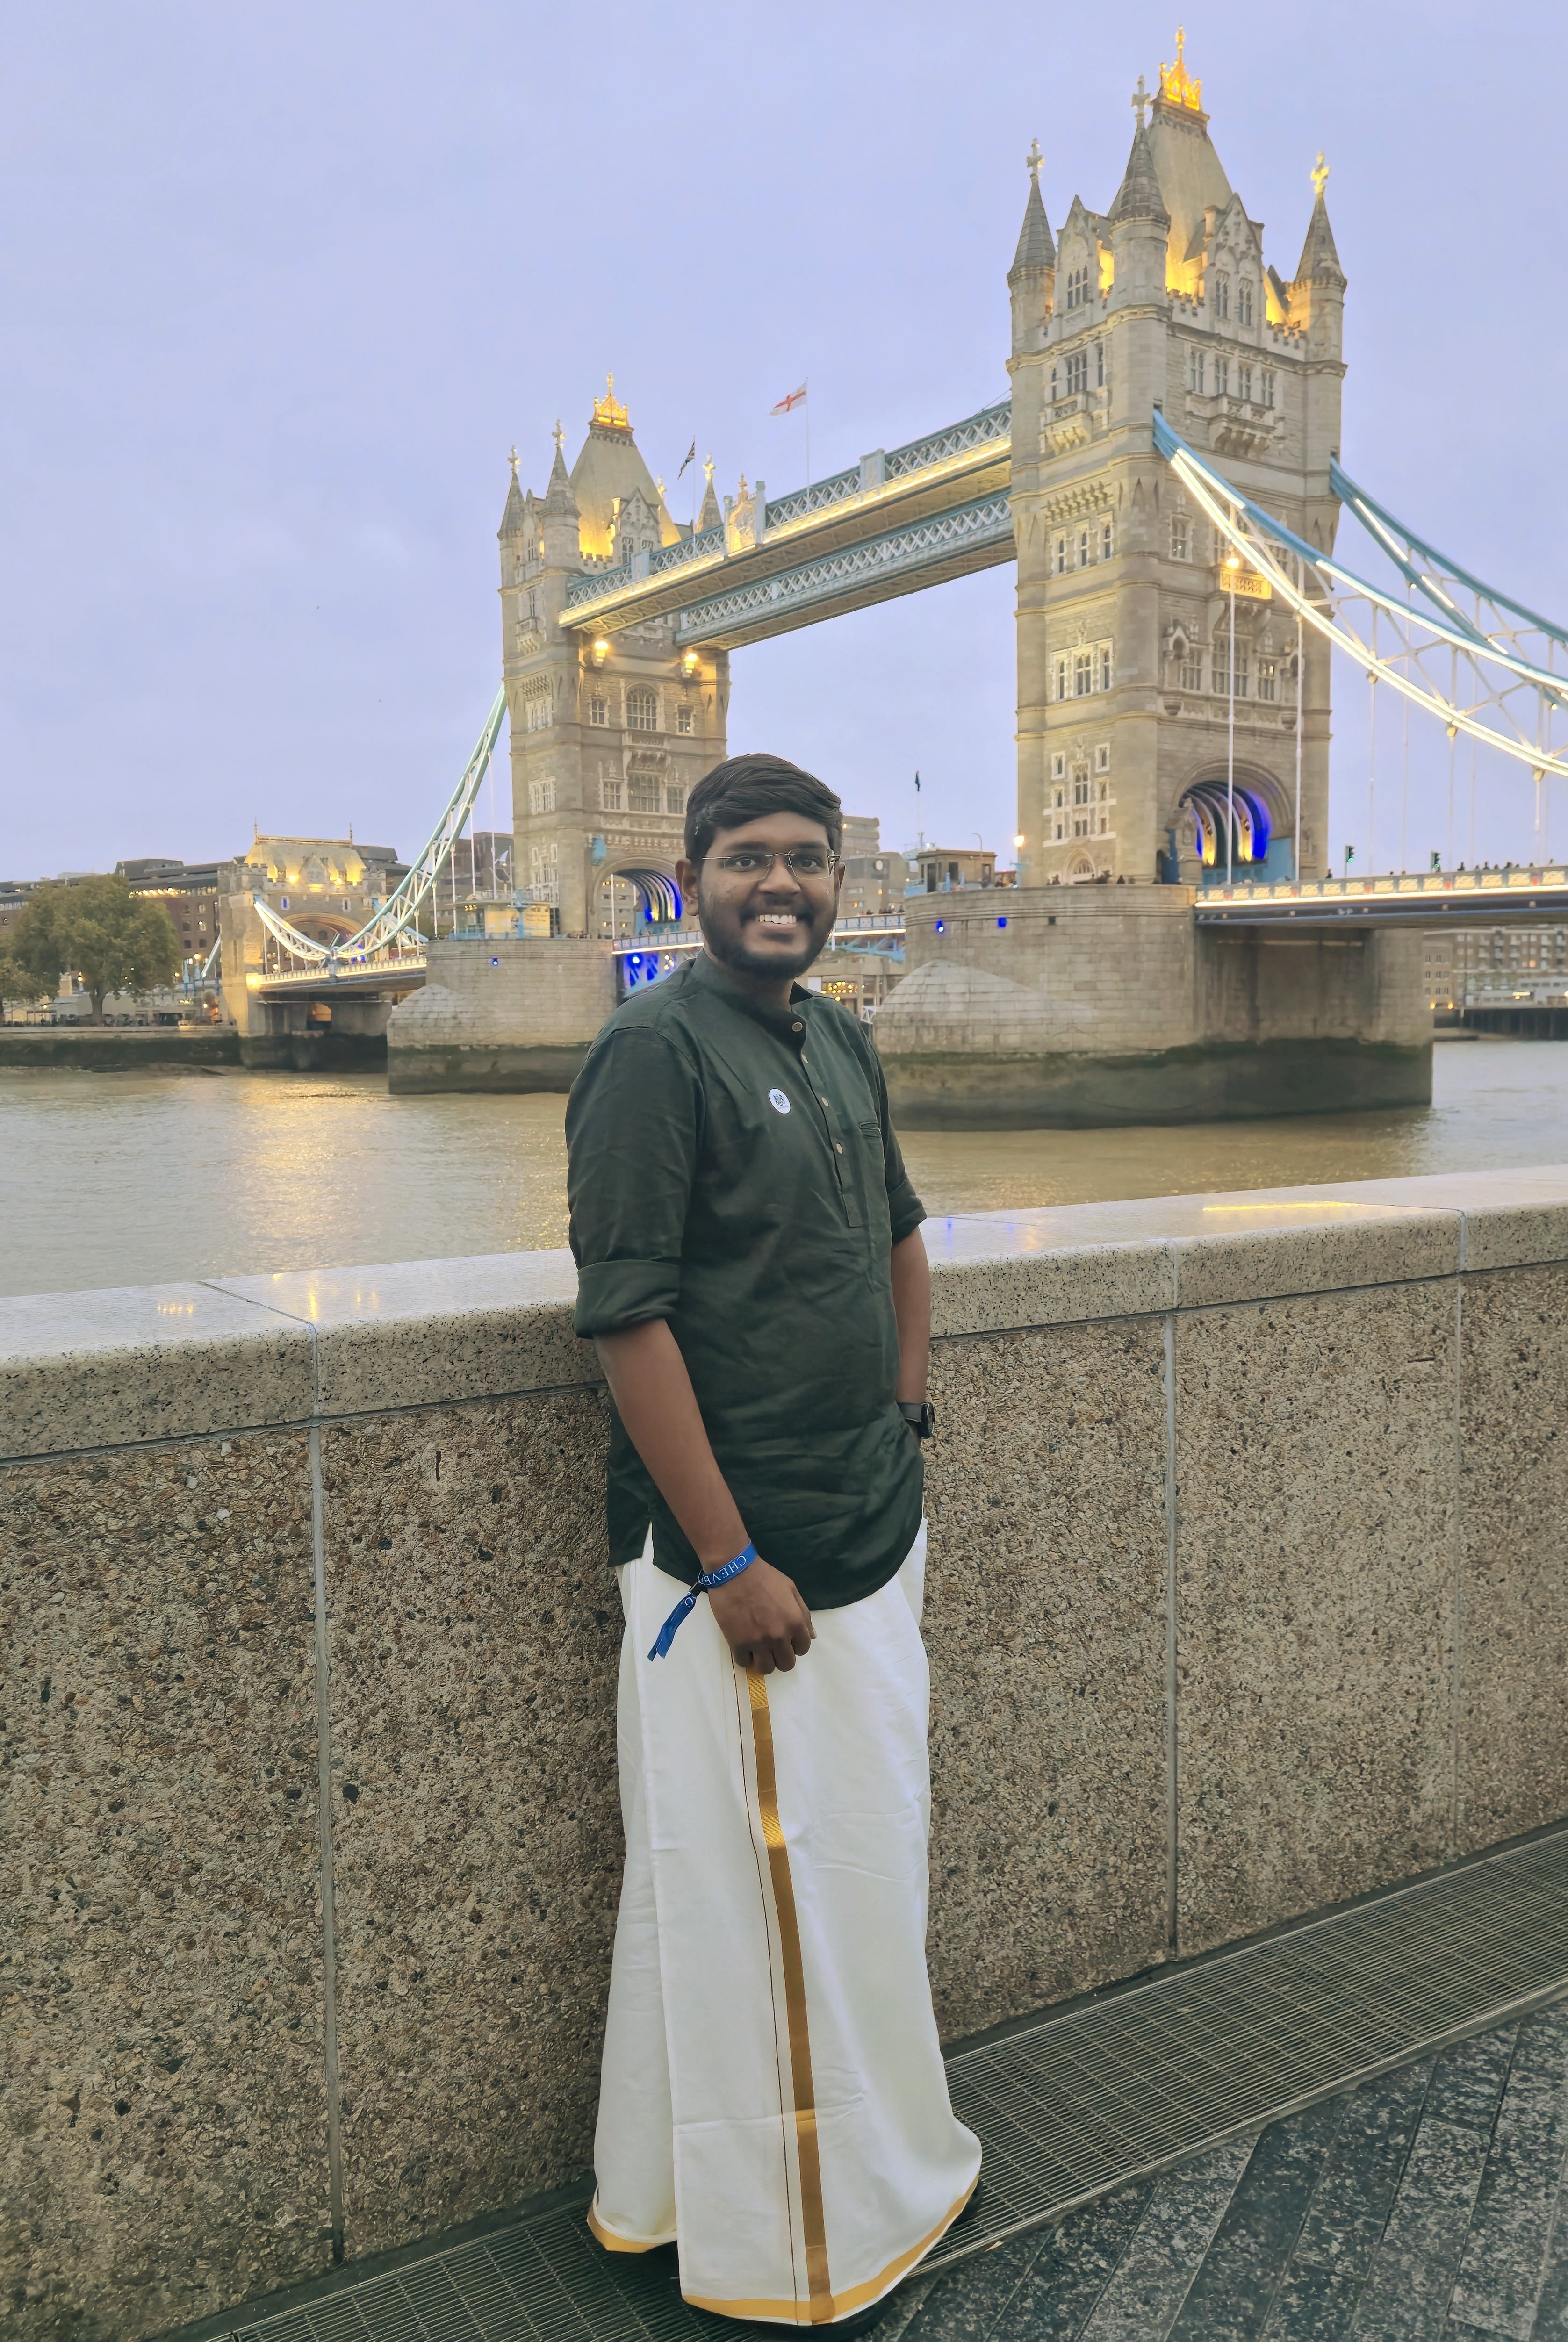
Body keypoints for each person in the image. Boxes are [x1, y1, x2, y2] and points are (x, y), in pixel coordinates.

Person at [566, 753, 980, 2328]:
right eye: (749, 859)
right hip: (741, 1575)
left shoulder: (840, 1036)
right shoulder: (651, 1055)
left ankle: (665, 2191)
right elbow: (627, 1318)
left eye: (809, 859)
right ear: (694, 877)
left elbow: (902, 1237)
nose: (783, 885)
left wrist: (906, 1422)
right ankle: (804, 2242)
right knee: (768, 1898)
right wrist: (730, 1561)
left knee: (840, 1873)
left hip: (869, 1524)